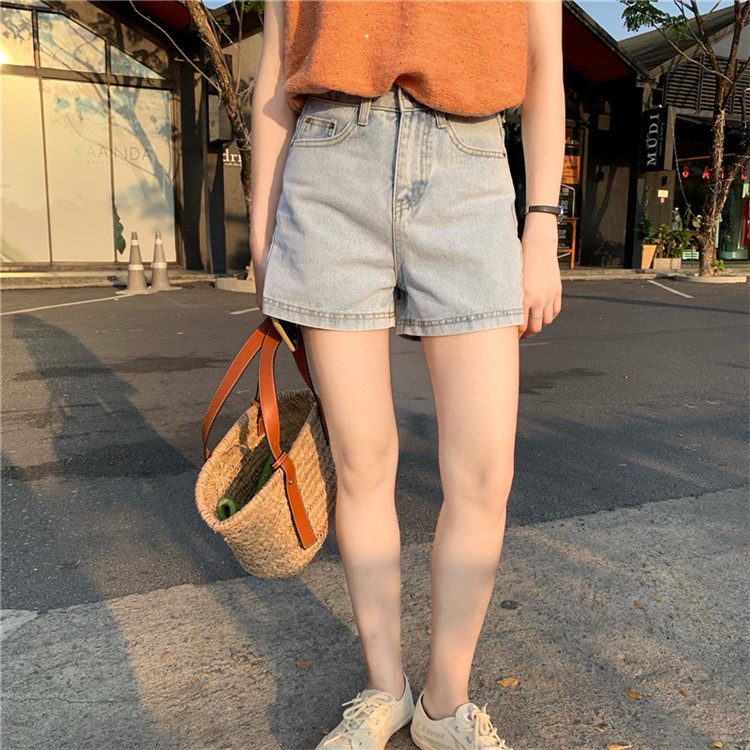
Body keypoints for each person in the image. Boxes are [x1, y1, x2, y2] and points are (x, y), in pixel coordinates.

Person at [250, 1, 564, 748]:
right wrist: (264, 237)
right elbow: (274, 70)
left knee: (485, 471)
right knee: (361, 461)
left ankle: (443, 705)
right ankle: (384, 687)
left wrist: (542, 222)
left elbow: (544, 62)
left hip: (471, 167)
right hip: (330, 162)